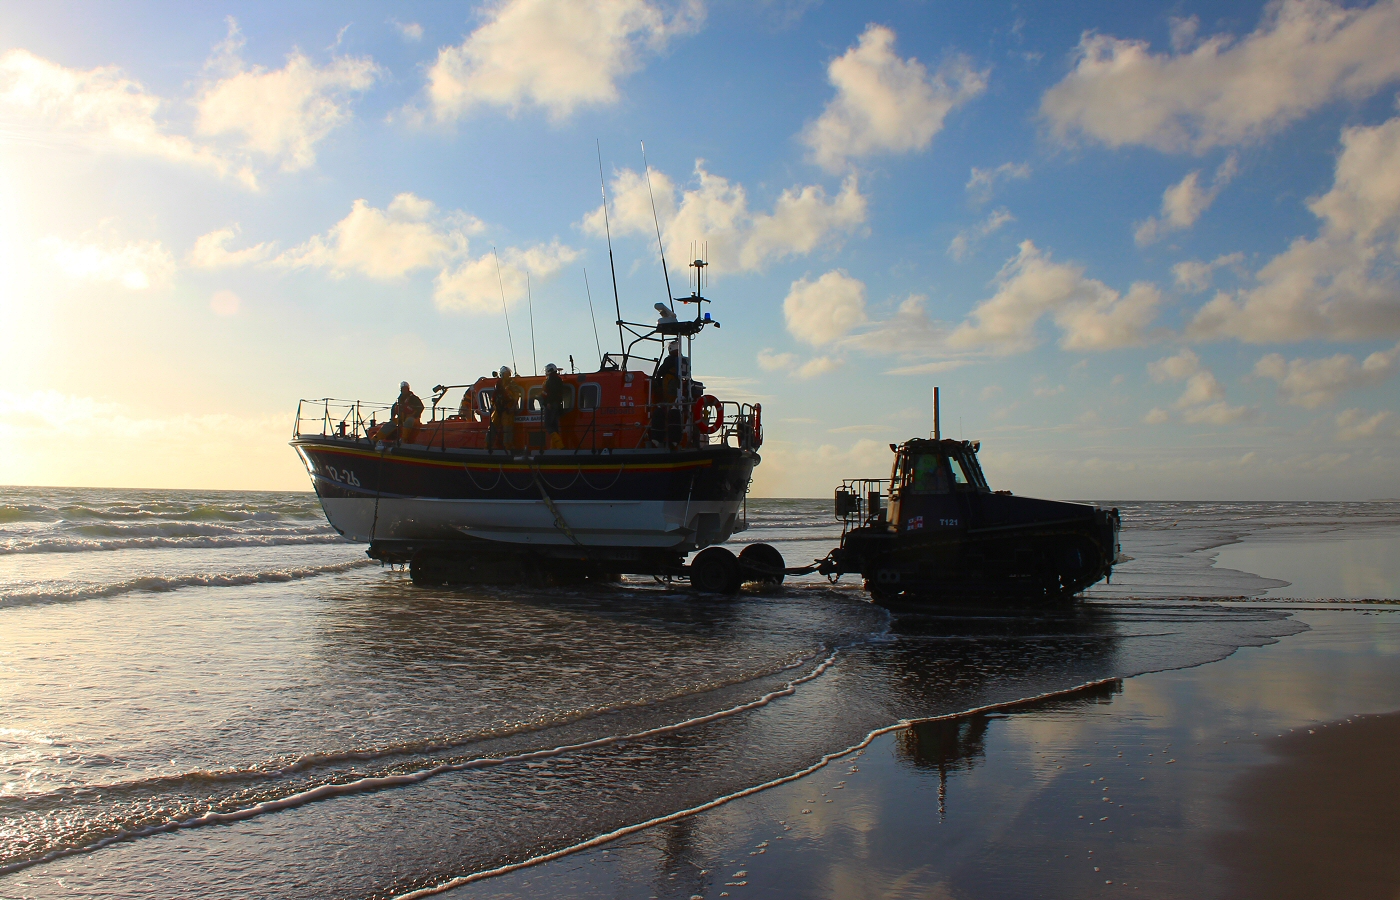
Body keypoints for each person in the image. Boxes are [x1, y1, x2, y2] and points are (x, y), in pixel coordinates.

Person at [488, 366, 522, 453]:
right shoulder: (498, 384)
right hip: (498, 409)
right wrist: (494, 405)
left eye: (507, 374)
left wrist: (513, 406)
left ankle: (508, 446)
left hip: (507, 409)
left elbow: (516, 395)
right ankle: (487, 445)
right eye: (505, 374)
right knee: (492, 427)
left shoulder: (511, 384)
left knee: (508, 428)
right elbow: (494, 397)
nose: (506, 376)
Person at [542, 362, 565, 450]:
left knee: (548, 425)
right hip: (557, 405)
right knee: (555, 426)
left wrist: (548, 402)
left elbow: (550, 393)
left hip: (551, 405)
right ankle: (554, 447)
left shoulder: (550, 380)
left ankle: (560, 446)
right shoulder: (558, 380)